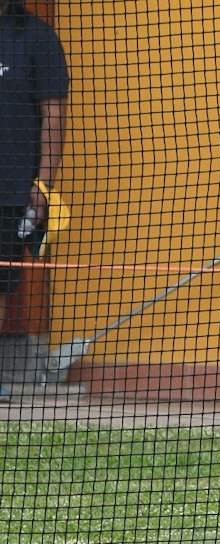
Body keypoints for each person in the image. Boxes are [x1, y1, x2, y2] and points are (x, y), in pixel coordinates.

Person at [0, 0, 68, 403]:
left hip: (11, 188)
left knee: (1, 283)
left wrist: (42, 186)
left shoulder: (37, 36)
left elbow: (53, 113)